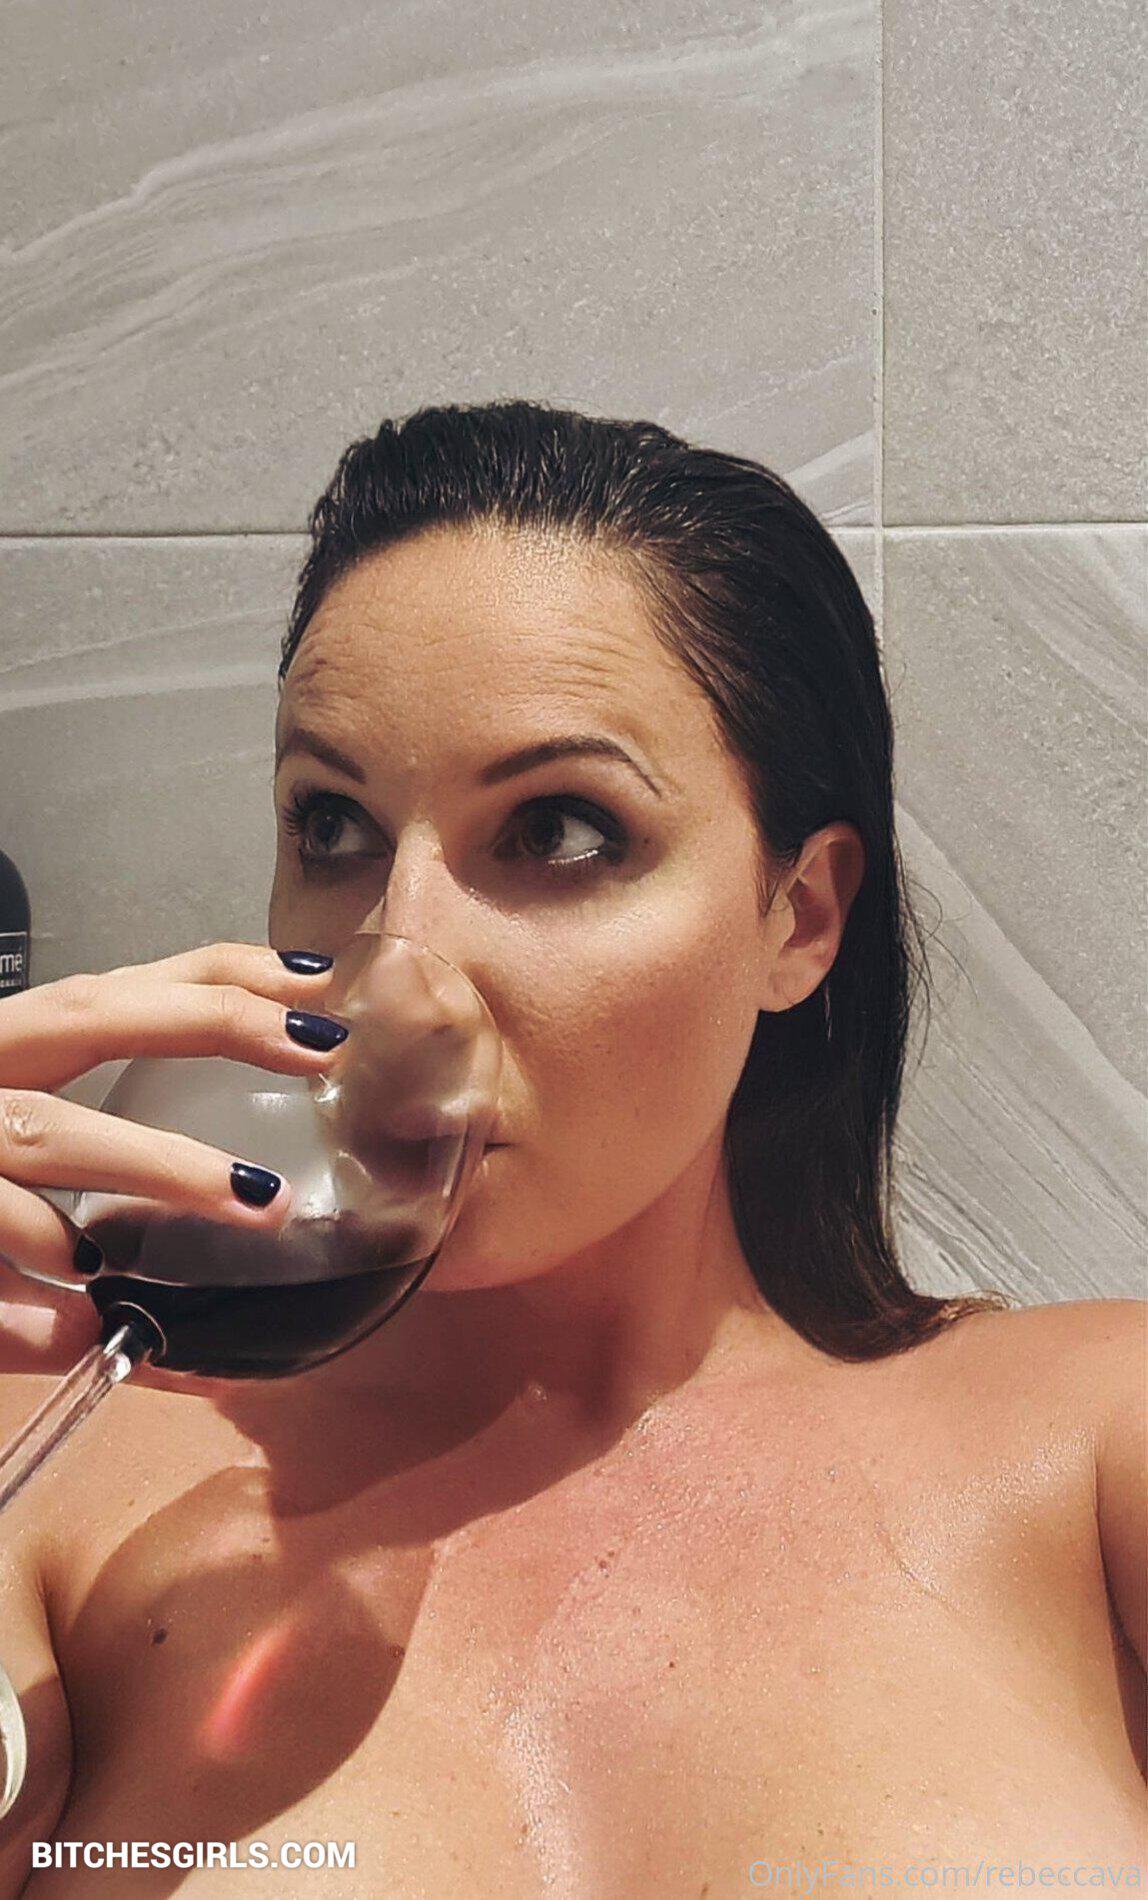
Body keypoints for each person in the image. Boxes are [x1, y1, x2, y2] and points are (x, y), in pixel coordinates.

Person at [0, 400, 1143, 1896]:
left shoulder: (1096, 1444)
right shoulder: (61, 1473)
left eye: (559, 833)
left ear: (797, 918)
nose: (401, 954)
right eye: (332, 826)